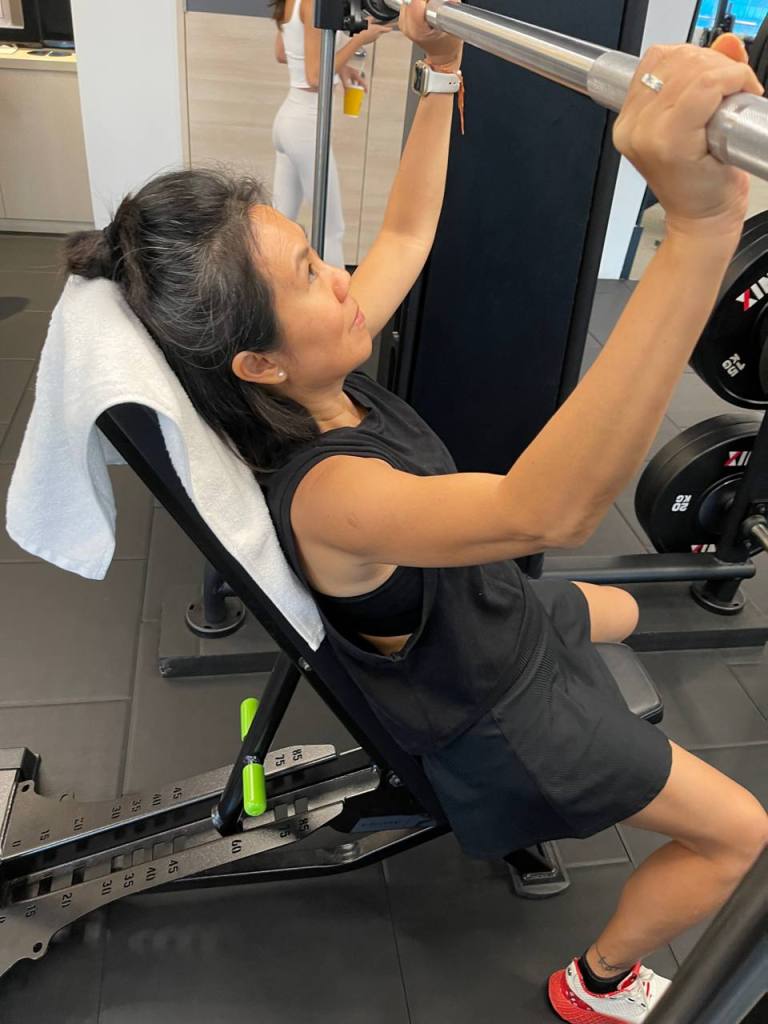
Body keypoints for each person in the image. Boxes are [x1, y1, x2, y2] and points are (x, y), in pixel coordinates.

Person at [64, 3, 768, 1020]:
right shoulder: (332, 490)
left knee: (613, 613)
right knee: (741, 833)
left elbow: (405, 231)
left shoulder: (318, 373)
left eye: (312, 251)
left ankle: (597, 737)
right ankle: (596, 983)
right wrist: (701, 228)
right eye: (309, 274)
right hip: (496, 711)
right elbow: (553, 507)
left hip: (487, 616)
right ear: (258, 360)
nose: (340, 277)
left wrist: (441, 73)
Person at [271, 0, 393, 267]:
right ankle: (337, 304)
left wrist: (342, 68)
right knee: (331, 230)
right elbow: (315, 77)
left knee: (280, 224)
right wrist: (359, 40)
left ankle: (268, 298)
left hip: (288, 120)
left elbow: (284, 53)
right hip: (305, 127)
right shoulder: (315, 3)